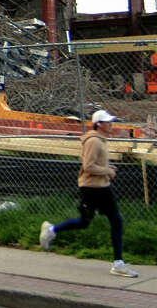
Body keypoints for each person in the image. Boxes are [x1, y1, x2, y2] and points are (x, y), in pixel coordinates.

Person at [38, 109, 139, 278]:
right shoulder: (94, 141)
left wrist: (107, 169)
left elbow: (93, 164)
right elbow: (88, 166)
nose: (111, 124)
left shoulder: (99, 140)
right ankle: (118, 263)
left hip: (96, 186)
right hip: (95, 187)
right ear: (99, 124)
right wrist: (107, 171)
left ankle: (52, 230)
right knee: (116, 221)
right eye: (107, 122)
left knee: (85, 222)